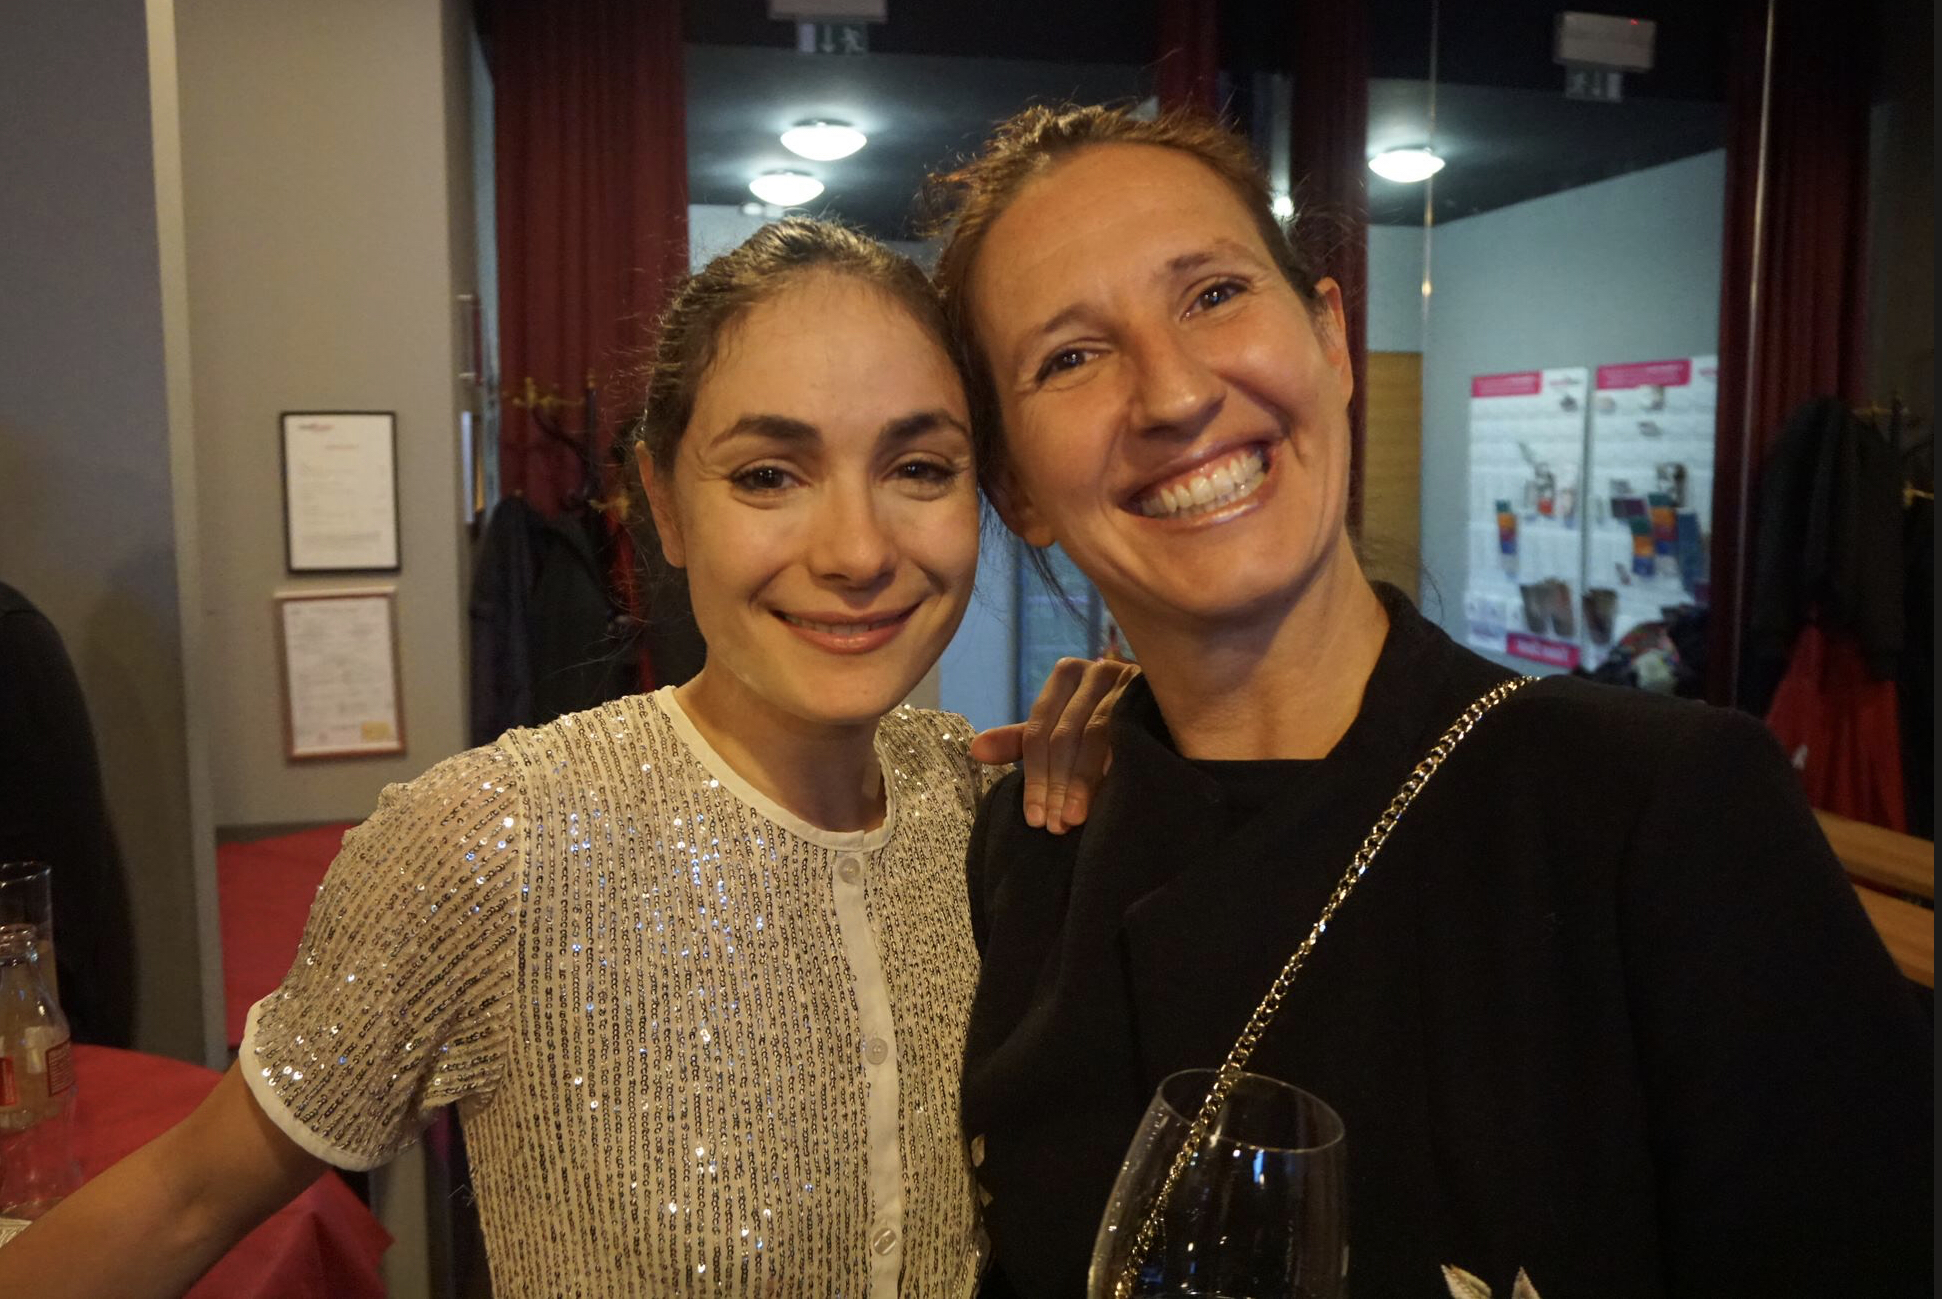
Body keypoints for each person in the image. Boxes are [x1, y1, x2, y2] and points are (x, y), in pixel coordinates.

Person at [0, 219, 1133, 1298]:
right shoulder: (496, 840)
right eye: (767, 475)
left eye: (919, 468)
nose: (856, 550)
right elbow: (189, 1200)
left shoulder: (982, 807)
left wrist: (1147, 742)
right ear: (664, 504)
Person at [929, 105, 1932, 1298]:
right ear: (1017, 489)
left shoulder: (1655, 818)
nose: (1173, 394)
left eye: (1213, 294)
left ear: (1330, 341)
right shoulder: (1032, 849)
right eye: (1069, 357)